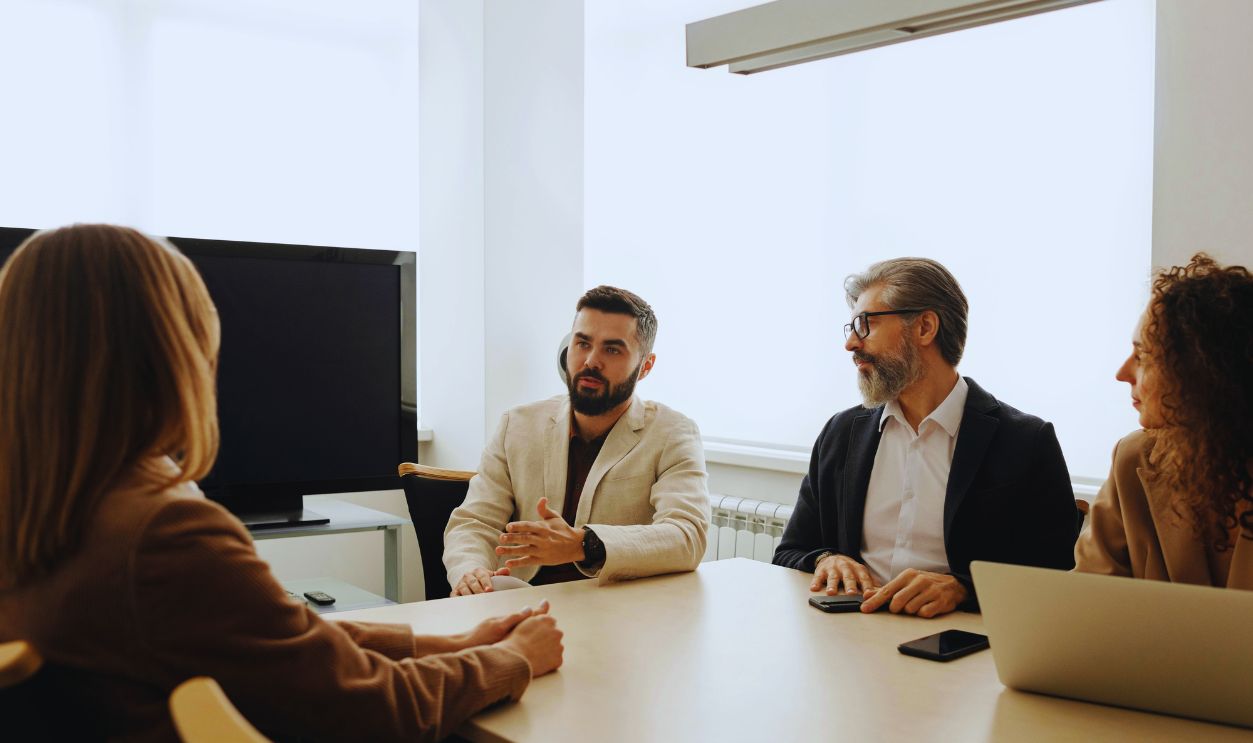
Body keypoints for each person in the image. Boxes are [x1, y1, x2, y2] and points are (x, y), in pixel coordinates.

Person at [0, 224, 563, 742]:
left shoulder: (46, 512)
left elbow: (286, 639)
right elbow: (369, 710)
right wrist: (511, 660)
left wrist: (451, 642)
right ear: (172, 354)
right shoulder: (162, 535)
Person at [773, 258, 1078, 617]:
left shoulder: (1025, 441)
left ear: (925, 327)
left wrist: (964, 588)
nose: (851, 343)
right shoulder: (840, 434)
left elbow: (1057, 575)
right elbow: (789, 552)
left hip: (961, 651)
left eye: (865, 324)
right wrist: (826, 559)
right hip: (849, 636)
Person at [444, 286, 709, 596]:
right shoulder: (517, 425)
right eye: (582, 343)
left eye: (612, 349)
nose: (591, 361)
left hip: (615, 612)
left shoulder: (673, 433)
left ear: (645, 366)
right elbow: (474, 521)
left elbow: (687, 535)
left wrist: (585, 544)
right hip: (518, 601)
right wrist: (471, 570)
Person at [1075, 254, 1253, 586]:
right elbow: (1088, 597)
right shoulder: (1134, 459)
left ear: (1203, 372)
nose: (1122, 373)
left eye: (1142, 356)